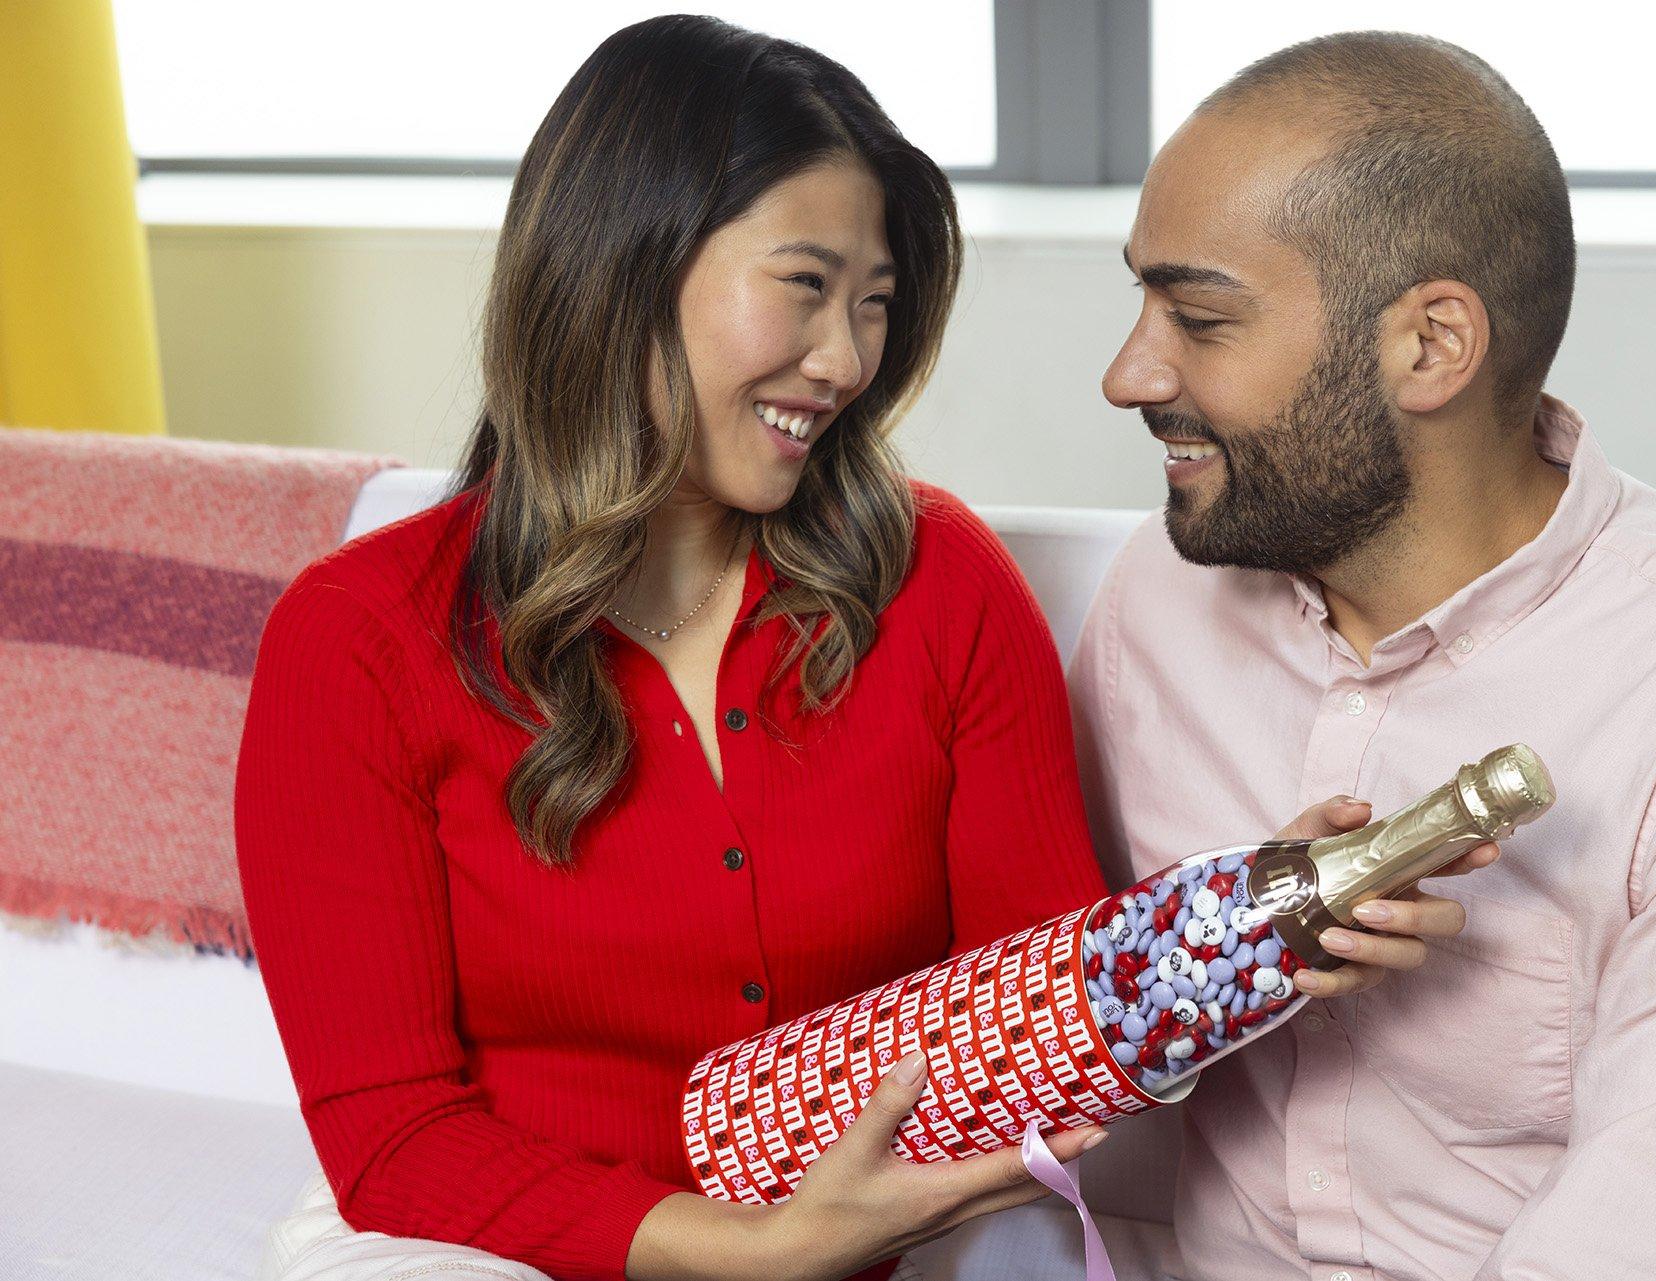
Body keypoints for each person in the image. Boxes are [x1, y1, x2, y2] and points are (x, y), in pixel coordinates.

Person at [234, 17, 1477, 1281]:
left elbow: (1036, 1005)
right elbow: (391, 1137)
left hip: (909, 1228)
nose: (845, 360)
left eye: (874, 303)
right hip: (505, 1243)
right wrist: (742, 1253)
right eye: (804, 284)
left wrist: (1250, 936)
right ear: (620, 266)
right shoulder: (358, 641)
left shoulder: (941, 584)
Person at [1069, 29, 1656, 1281]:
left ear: (1430, 346)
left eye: (1199, 316)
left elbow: (1645, 1252)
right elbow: (1057, 1033)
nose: (1128, 373)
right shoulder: (1160, 600)